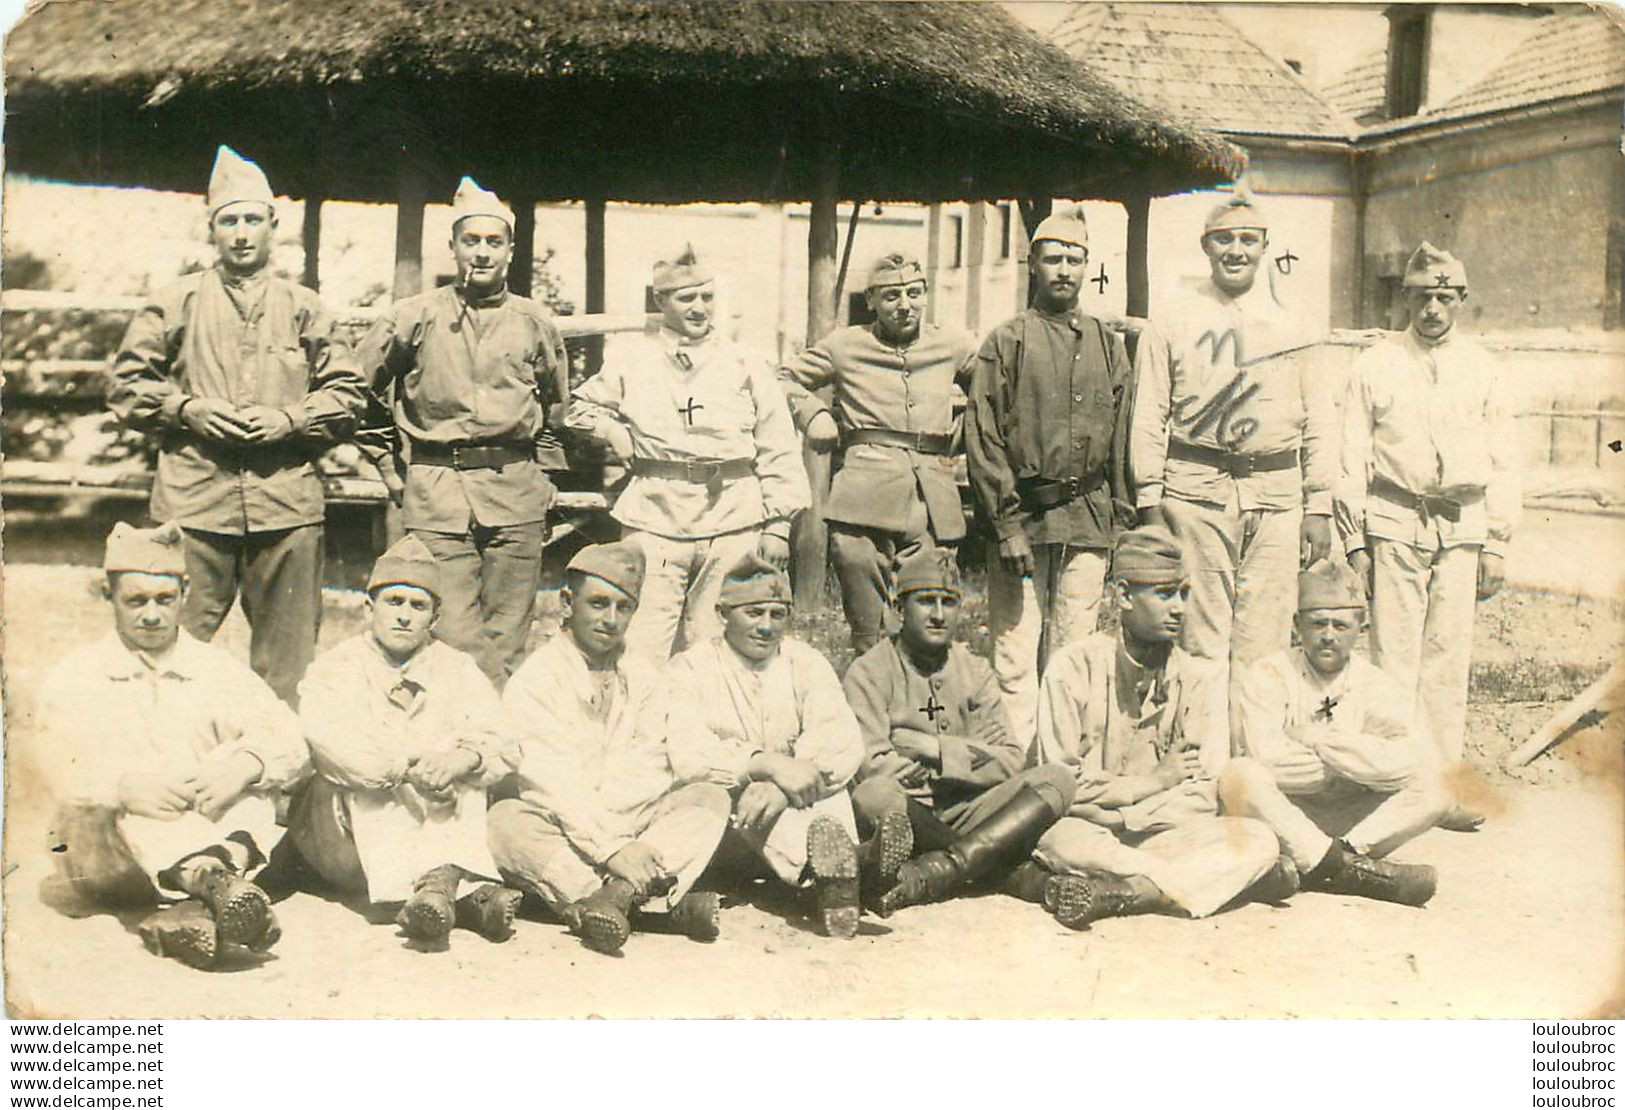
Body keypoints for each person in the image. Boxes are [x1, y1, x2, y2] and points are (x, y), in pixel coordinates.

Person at [108, 145, 367, 706]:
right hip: (193, 507)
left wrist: (289, 419)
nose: (242, 233)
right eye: (230, 221)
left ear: (275, 227)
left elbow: (349, 394)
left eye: (253, 219)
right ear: (212, 230)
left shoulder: (306, 309)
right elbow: (126, 387)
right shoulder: (173, 303)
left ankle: (277, 785)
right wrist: (186, 410)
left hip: (286, 510)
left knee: (290, 668)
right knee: (167, 654)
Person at [37, 522, 309, 968]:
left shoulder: (216, 670)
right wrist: (119, 788)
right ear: (109, 595)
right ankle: (211, 880)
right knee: (92, 805)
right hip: (111, 858)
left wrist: (244, 765)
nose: (151, 615)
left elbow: (288, 737)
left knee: (245, 764)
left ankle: (191, 910)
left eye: (164, 600)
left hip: (198, 828)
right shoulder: (76, 674)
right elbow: (46, 763)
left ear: (185, 592)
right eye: (135, 601)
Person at [1131, 194, 1336, 743]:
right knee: (1200, 636)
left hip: (1276, 494)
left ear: (1266, 249)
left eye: (1248, 240)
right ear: (1206, 246)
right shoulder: (1173, 317)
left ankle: (1256, 764)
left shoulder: (1298, 321)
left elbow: (1320, 416)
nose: (1236, 251)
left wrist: (1319, 505)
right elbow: (1149, 411)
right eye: (1225, 239)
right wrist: (1149, 502)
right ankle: (1206, 765)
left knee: (1263, 641)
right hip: (1194, 493)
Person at [1015, 527, 1286, 930]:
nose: (1179, 608)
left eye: (1184, 594)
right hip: (1089, 831)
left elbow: (1203, 789)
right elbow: (1062, 784)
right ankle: (1182, 884)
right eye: (1164, 594)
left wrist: (1125, 819)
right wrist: (1152, 783)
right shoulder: (1072, 668)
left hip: (1160, 832)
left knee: (1259, 839)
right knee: (1060, 838)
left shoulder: (1196, 677)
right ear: (1123, 596)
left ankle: (1127, 892)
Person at [1335, 241, 1518, 830]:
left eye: (1444, 297)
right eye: (1421, 297)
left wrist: (1497, 541)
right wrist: (1356, 541)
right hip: (1394, 522)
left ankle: (1443, 788)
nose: (1432, 308)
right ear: (1405, 299)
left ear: (1461, 301)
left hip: (1462, 526)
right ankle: (1396, 783)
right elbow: (1350, 456)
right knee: (1394, 660)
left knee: (1447, 659)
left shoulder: (1485, 368)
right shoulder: (1375, 365)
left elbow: (1506, 459)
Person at [357, 177, 568, 686]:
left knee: (509, 632)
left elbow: (557, 409)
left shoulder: (535, 322)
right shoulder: (412, 317)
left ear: (510, 251)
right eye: (470, 241)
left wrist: (545, 479)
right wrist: (388, 466)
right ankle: (465, 738)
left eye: (493, 242)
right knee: (453, 633)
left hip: (515, 492)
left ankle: (492, 753)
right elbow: (357, 391)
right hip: (436, 491)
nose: (481, 253)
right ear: (452, 246)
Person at [567, 246, 810, 663]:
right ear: (660, 302)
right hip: (656, 517)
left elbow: (779, 445)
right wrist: (611, 430)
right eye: (686, 298)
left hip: (734, 518)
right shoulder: (633, 358)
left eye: (707, 297)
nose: (700, 308)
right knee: (641, 645)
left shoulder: (744, 362)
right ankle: (639, 727)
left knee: (716, 644)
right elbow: (576, 408)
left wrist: (778, 526)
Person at [491, 542, 732, 956]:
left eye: (624, 608)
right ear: (568, 602)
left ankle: (613, 900)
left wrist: (623, 842)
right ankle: (644, 907)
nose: (610, 619)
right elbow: (553, 782)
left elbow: (655, 762)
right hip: (565, 824)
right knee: (503, 823)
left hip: (631, 825)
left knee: (709, 797)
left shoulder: (644, 676)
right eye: (598, 604)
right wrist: (612, 849)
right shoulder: (537, 680)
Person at [290, 535, 523, 947]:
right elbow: (336, 750)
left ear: (434, 619)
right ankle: (451, 887)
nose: (404, 617)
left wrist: (462, 759)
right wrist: (409, 767)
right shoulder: (335, 668)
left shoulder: (457, 668)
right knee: (375, 776)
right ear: (369, 608)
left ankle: (437, 895)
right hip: (345, 836)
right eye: (393, 602)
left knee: (465, 761)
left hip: (423, 821)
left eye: (418, 607)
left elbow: (504, 743)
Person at [965, 207, 1134, 746]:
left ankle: (1062, 766)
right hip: (1024, 518)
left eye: (1074, 260)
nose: (1063, 269)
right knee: (1016, 650)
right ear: (1032, 264)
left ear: (1087, 267)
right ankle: (1017, 769)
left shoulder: (1109, 344)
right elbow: (984, 434)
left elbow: (1124, 436)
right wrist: (1006, 524)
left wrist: (1121, 517)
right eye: (1053, 258)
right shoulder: (1006, 341)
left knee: (1074, 648)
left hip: (1087, 516)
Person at [843, 544, 1077, 915]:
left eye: (948, 603)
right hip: (908, 811)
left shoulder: (975, 669)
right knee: (874, 796)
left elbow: (1011, 760)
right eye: (925, 601)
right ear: (899, 607)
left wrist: (933, 749)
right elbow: (871, 766)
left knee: (1057, 779)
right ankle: (998, 871)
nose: (938, 615)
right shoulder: (869, 672)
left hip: (971, 808)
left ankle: (941, 869)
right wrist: (970, 759)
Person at [778, 252, 977, 653]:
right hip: (862, 499)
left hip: (932, 501)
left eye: (913, 293)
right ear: (870, 301)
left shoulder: (952, 344)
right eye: (890, 296)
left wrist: (971, 424)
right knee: (868, 626)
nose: (904, 305)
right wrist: (814, 413)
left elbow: (995, 385)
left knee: (929, 612)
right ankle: (869, 692)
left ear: (925, 295)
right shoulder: (845, 345)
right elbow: (782, 379)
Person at [1218, 559, 1445, 906]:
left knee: (1438, 783)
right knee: (1240, 775)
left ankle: (1332, 860)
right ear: (1298, 626)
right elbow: (1269, 760)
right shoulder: (1268, 674)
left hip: (1349, 821)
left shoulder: (1376, 684)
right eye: (1317, 623)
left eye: (1340, 625)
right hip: (1285, 813)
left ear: (1360, 629)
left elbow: (1407, 759)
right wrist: (1357, 763)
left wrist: (1320, 739)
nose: (1328, 635)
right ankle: (1347, 870)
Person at [664, 554, 866, 938]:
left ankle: (839, 874)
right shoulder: (690, 668)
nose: (767, 627)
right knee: (746, 793)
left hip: (794, 800)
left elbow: (840, 738)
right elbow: (687, 753)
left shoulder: (805, 661)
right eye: (753, 613)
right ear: (723, 613)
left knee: (828, 786)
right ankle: (841, 876)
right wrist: (761, 764)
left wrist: (783, 786)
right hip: (729, 826)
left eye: (778, 614)